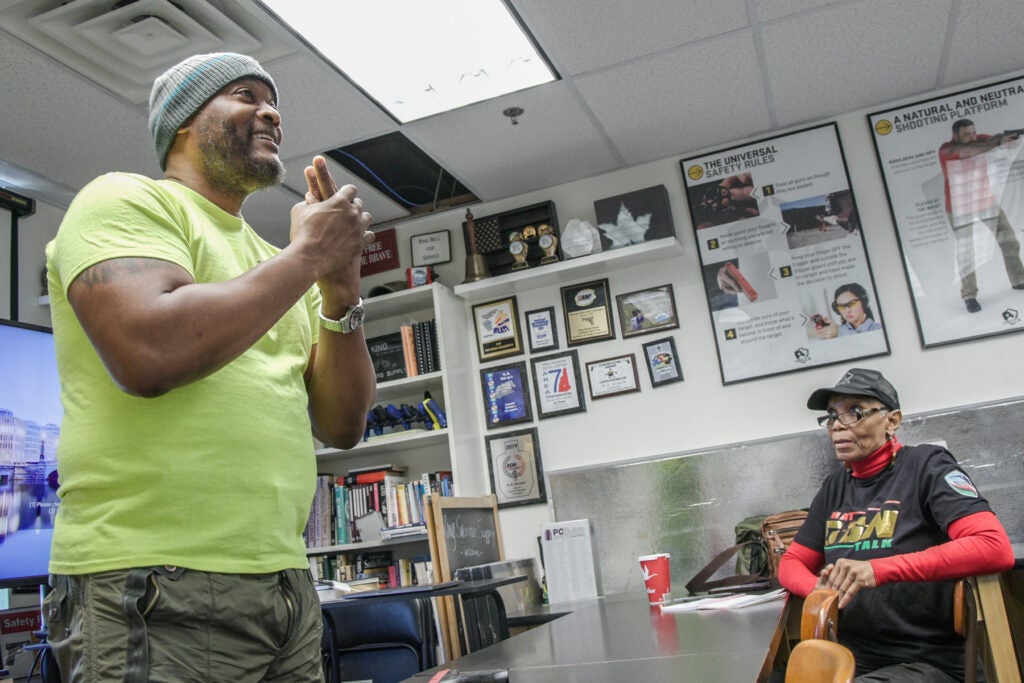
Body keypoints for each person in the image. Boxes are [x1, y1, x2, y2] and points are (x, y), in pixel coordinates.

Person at [42, 52, 377, 682]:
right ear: (184, 124)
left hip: (284, 584)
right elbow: (149, 353)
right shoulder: (122, 199)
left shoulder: (276, 262)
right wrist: (308, 258)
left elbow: (340, 424)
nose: (271, 111)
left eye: (273, 100)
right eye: (245, 95)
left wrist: (339, 288)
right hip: (152, 582)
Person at [778, 368, 1014, 682]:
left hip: (928, 663)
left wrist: (877, 569)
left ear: (892, 420)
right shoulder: (834, 487)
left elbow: (993, 547)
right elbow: (792, 562)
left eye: (854, 412)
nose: (837, 426)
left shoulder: (927, 467)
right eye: (832, 416)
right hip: (849, 660)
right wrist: (823, 593)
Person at [937, 118, 1024, 313]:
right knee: (967, 253)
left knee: (1009, 240)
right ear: (955, 135)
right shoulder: (946, 150)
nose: (972, 136)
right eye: (967, 134)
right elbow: (969, 152)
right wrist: (998, 142)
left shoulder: (982, 140)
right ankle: (969, 295)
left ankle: (1019, 279)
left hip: (986, 201)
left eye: (974, 132)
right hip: (959, 207)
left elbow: (1011, 145)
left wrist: (1011, 139)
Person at [813, 283, 882, 338]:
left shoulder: (879, 329)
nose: (847, 311)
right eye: (841, 306)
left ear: (863, 302)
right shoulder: (835, 330)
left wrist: (838, 333)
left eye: (852, 303)